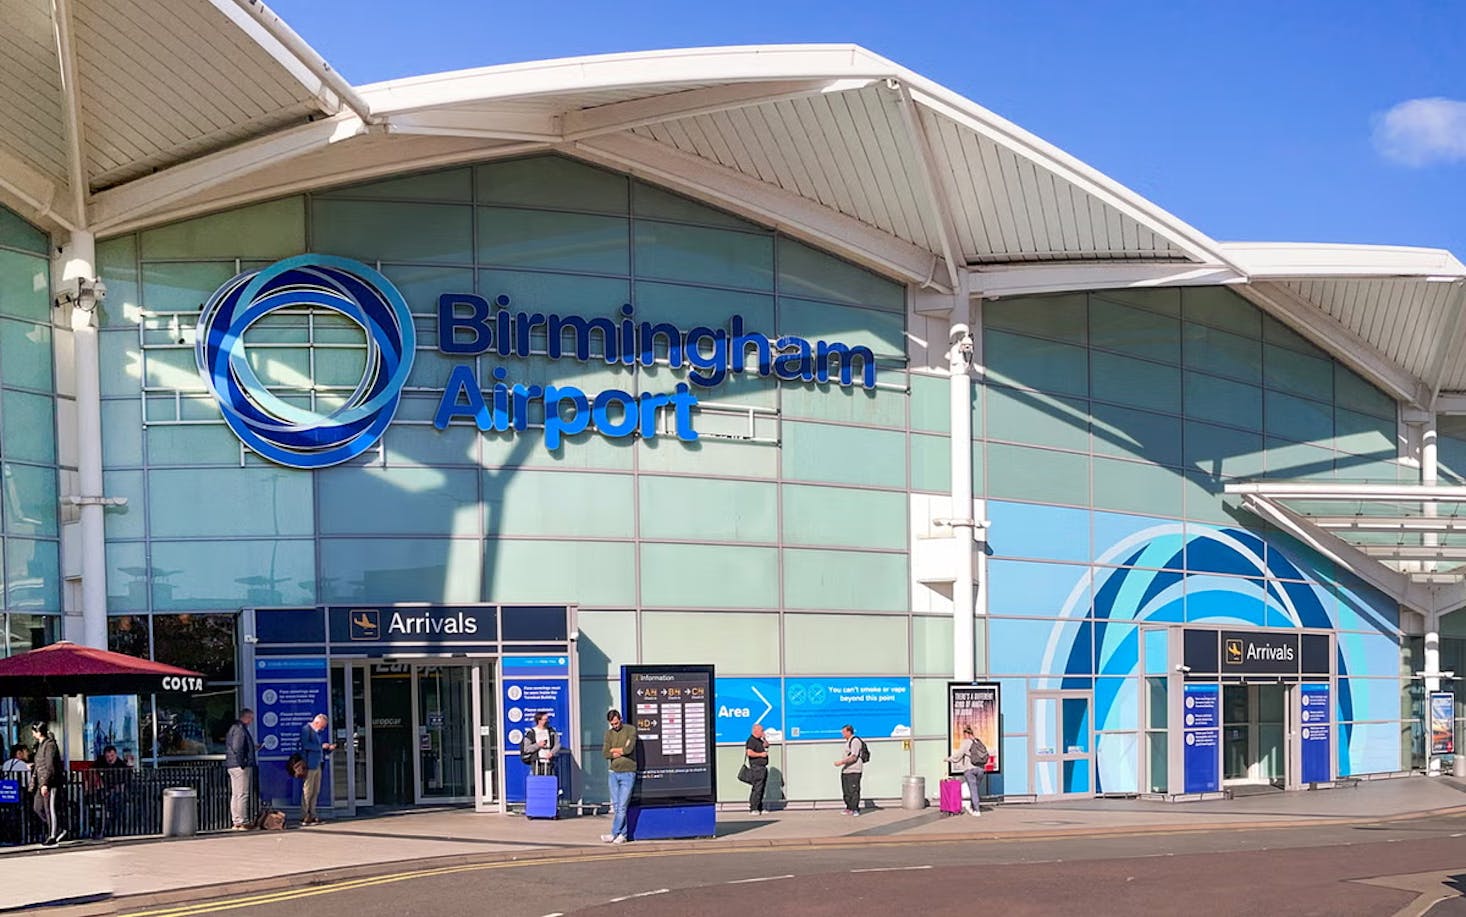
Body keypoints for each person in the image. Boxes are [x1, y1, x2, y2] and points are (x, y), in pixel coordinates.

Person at [600, 709, 637, 845]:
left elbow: (628, 749)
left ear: (620, 719)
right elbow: (605, 753)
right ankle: (623, 834)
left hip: (628, 772)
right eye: (612, 724)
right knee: (617, 806)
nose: (615, 726)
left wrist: (614, 750)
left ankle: (614, 833)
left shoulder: (630, 730)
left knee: (622, 806)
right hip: (613, 773)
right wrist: (618, 750)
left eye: (616, 723)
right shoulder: (609, 734)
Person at [31, 721, 66, 846]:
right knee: (38, 807)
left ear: (38, 732)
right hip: (41, 781)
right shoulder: (39, 745)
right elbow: (38, 765)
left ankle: (53, 835)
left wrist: (45, 783)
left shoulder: (50, 745)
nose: (32, 734)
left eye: (34, 731)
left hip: (50, 782)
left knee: (49, 809)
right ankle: (58, 828)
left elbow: (50, 766)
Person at [298, 714, 335, 827]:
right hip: (309, 764)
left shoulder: (318, 732)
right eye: (323, 726)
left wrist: (328, 749)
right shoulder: (306, 729)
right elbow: (305, 745)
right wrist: (321, 747)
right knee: (307, 791)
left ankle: (312, 814)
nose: (323, 728)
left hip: (318, 763)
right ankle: (304, 815)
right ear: (317, 722)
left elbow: (320, 749)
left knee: (315, 791)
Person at [945, 724, 988, 817]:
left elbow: (958, 756)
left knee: (973, 789)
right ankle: (973, 807)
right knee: (975, 789)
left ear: (966, 734)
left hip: (970, 769)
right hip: (980, 769)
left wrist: (948, 759)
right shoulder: (978, 741)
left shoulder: (966, 742)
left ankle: (976, 810)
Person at [224, 708, 257, 831]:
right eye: (251, 718)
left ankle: (236, 820)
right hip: (239, 766)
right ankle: (242, 821)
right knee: (242, 793)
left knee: (236, 794)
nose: (251, 721)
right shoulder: (240, 729)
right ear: (246, 717)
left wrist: (252, 748)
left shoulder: (234, 728)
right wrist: (243, 763)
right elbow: (238, 747)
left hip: (233, 764)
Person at [91, 745, 131, 838]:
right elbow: (91, 769)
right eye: (107, 757)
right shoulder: (101, 761)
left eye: (112, 756)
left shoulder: (121, 766)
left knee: (115, 804)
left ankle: (115, 828)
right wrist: (98, 781)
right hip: (102, 791)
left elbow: (124, 783)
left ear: (116, 755)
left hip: (116, 794)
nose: (110, 759)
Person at [832, 724, 864, 816]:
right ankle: (849, 807)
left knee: (854, 790)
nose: (842, 734)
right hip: (846, 770)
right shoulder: (847, 742)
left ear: (849, 732)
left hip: (854, 770)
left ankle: (855, 809)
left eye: (843, 732)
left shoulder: (855, 741)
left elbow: (854, 757)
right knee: (846, 790)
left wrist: (841, 762)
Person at [2, 744, 31, 844]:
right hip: (20, 791)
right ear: (19, 753)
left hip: (7, 793)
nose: (28, 754)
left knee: (10, 814)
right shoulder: (22, 765)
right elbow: (28, 781)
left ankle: (8, 835)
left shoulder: (6, 764)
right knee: (21, 814)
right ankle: (22, 836)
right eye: (26, 751)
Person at [520, 711, 561, 777]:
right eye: (545, 719)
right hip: (536, 762)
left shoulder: (552, 731)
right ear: (539, 720)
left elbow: (558, 744)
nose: (547, 721)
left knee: (548, 782)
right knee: (538, 782)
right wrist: (538, 745)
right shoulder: (531, 733)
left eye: (548, 719)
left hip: (549, 762)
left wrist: (552, 753)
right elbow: (526, 748)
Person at [744, 723, 770, 814]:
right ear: (756, 731)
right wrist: (761, 755)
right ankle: (753, 808)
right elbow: (749, 753)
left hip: (763, 767)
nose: (763, 732)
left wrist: (764, 739)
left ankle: (760, 807)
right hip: (756, 767)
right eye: (762, 730)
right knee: (757, 788)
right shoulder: (751, 740)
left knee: (762, 788)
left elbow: (767, 745)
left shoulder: (759, 740)